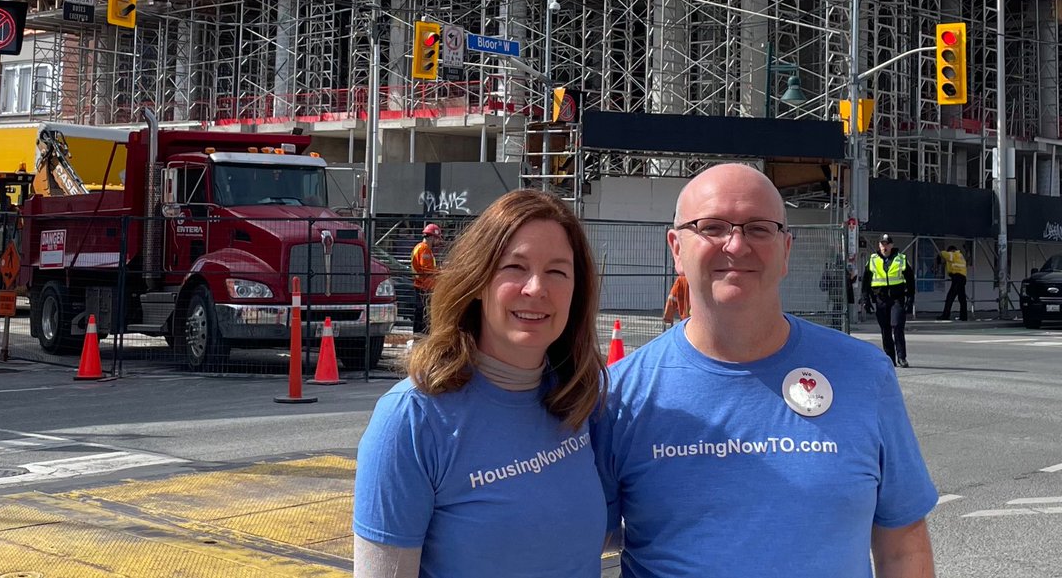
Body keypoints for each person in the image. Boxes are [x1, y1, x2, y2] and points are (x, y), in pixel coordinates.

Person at [592, 164, 937, 578]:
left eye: (758, 228)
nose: (736, 245)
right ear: (677, 249)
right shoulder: (619, 397)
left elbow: (902, 546)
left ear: (786, 249)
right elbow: (577, 543)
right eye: (713, 227)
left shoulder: (866, 375)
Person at [354, 190, 609, 578]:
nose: (536, 288)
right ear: (477, 281)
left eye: (557, 271)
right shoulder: (411, 420)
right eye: (515, 267)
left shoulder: (580, 400)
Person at [862, 234, 916, 367]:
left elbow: (910, 280)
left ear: (891, 245)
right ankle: (890, 358)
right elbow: (865, 281)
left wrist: (910, 298)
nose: (884, 247)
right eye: (882, 244)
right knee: (885, 330)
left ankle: (902, 357)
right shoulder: (873, 260)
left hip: (897, 298)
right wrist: (866, 300)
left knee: (897, 326)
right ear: (879, 245)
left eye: (886, 244)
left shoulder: (901, 259)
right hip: (880, 299)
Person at [410, 223, 443, 335]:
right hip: (423, 286)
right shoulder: (424, 250)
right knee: (423, 313)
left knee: (422, 312)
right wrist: (440, 272)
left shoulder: (420, 248)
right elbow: (426, 269)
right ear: (432, 237)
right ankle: (420, 335)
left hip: (423, 285)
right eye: (437, 238)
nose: (438, 242)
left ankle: (419, 334)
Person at [936, 245, 968, 321]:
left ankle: (945, 315)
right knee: (962, 299)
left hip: (957, 278)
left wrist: (940, 253)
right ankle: (964, 317)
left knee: (950, 297)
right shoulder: (960, 256)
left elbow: (943, 253)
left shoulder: (952, 254)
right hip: (962, 278)